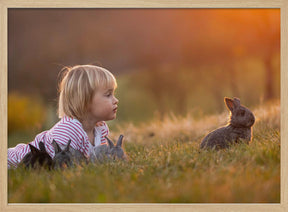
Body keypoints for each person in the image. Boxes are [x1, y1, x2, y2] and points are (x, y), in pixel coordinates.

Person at [8, 65, 119, 168]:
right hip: (12, 160)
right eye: (108, 95)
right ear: (84, 100)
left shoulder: (100, 129)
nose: (115, 100)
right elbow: (58, 164)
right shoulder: (68, 130)